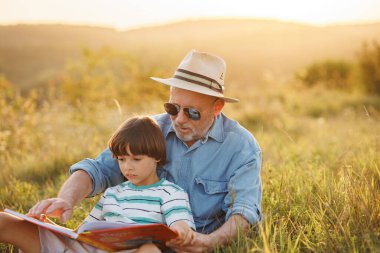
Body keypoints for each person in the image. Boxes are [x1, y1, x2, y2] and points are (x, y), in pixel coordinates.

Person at [27, 49, 262, 252]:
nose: (179, 119)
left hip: (192, 246)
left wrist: (208, 242)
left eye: (192, 112)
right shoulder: (151, 129)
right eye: (173, 107)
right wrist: (65, 200)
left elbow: (244, 211)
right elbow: (97, 170)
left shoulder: (241, 147)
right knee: (21, 227)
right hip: (134, 245)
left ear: (217, 107)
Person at [0, 116, 196, 253]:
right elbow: (84, 234)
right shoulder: (112, 193)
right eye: (121, 159)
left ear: (157, 157)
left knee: (149, 250)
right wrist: (46, 225)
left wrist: (182, 231)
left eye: (136, 159)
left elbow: (180, 226)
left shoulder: (170, 192)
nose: (127, 167)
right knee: (5, 221)